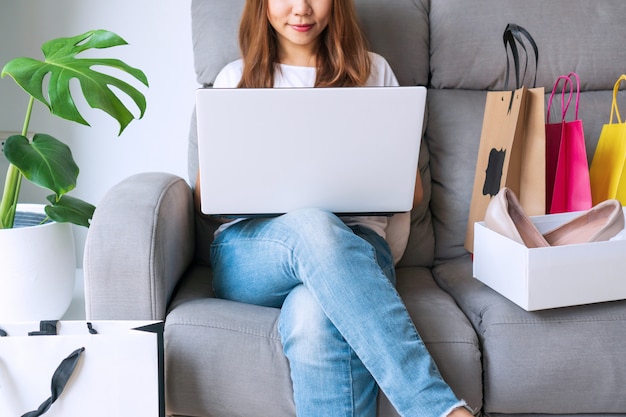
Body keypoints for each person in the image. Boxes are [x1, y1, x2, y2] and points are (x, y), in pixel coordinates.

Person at [195, 0, 474, 416]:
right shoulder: (235, 78)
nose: (301, 9)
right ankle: (437, 409)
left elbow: (411, 194)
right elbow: (207, 197)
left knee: (314, 315)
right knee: (313, 223)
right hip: (254, 251)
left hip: (355, 246)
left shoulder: (373, 72)